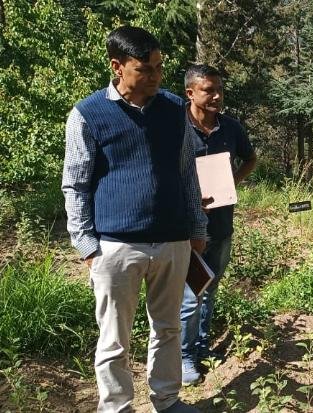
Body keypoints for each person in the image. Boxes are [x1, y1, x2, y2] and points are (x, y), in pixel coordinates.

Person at [61, 26, 207, 413]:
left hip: (173, 241)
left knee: (169, 329)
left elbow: (187, 172)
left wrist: (196, 228)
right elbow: (75, 184)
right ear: (117, 66)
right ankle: (117, 407)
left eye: (159, 67)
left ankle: (167, 399)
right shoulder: (88, 114)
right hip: (116, 246)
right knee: (114, 339)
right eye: (146, 69)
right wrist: (88, 247)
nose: (157, 76)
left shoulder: (175, 109)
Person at [179, 64, 257, 385]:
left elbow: (250, 159)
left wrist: (231, 183)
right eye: (208, 90)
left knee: (209, 289)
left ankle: (202, 348)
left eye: (219, 90)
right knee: (189, 295)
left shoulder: (231, 128)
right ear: (190, 93)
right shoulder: (175, 127)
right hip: (186, 231)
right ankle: (185, 358)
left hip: (222, 225)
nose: (216, 96)